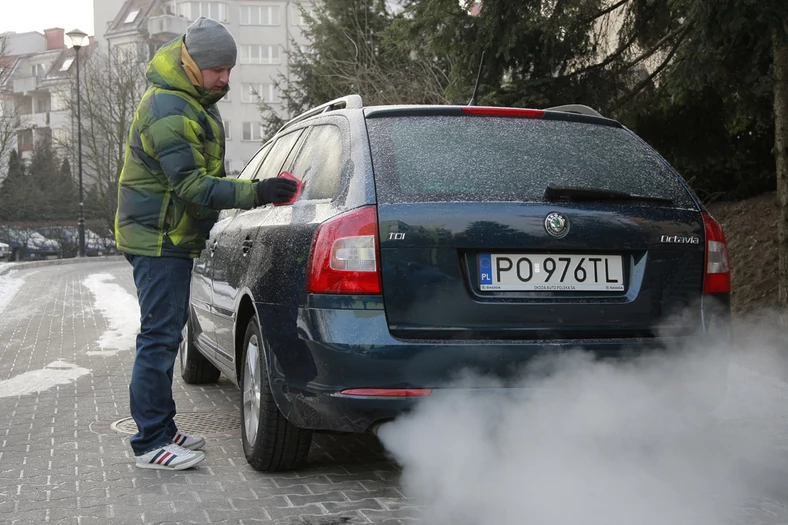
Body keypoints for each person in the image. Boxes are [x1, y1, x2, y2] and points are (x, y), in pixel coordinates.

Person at [114, 17, 297, 470]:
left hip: (168, 235)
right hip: (157, 238)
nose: (225, 78)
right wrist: (257, 192)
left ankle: (163, 427)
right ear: (193, 63)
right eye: (219, 69)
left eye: (229, 69)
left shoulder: (192, 99)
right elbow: (193, 185)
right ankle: (149, 443)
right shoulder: (169, 108)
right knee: (158, 339)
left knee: (166, 332)